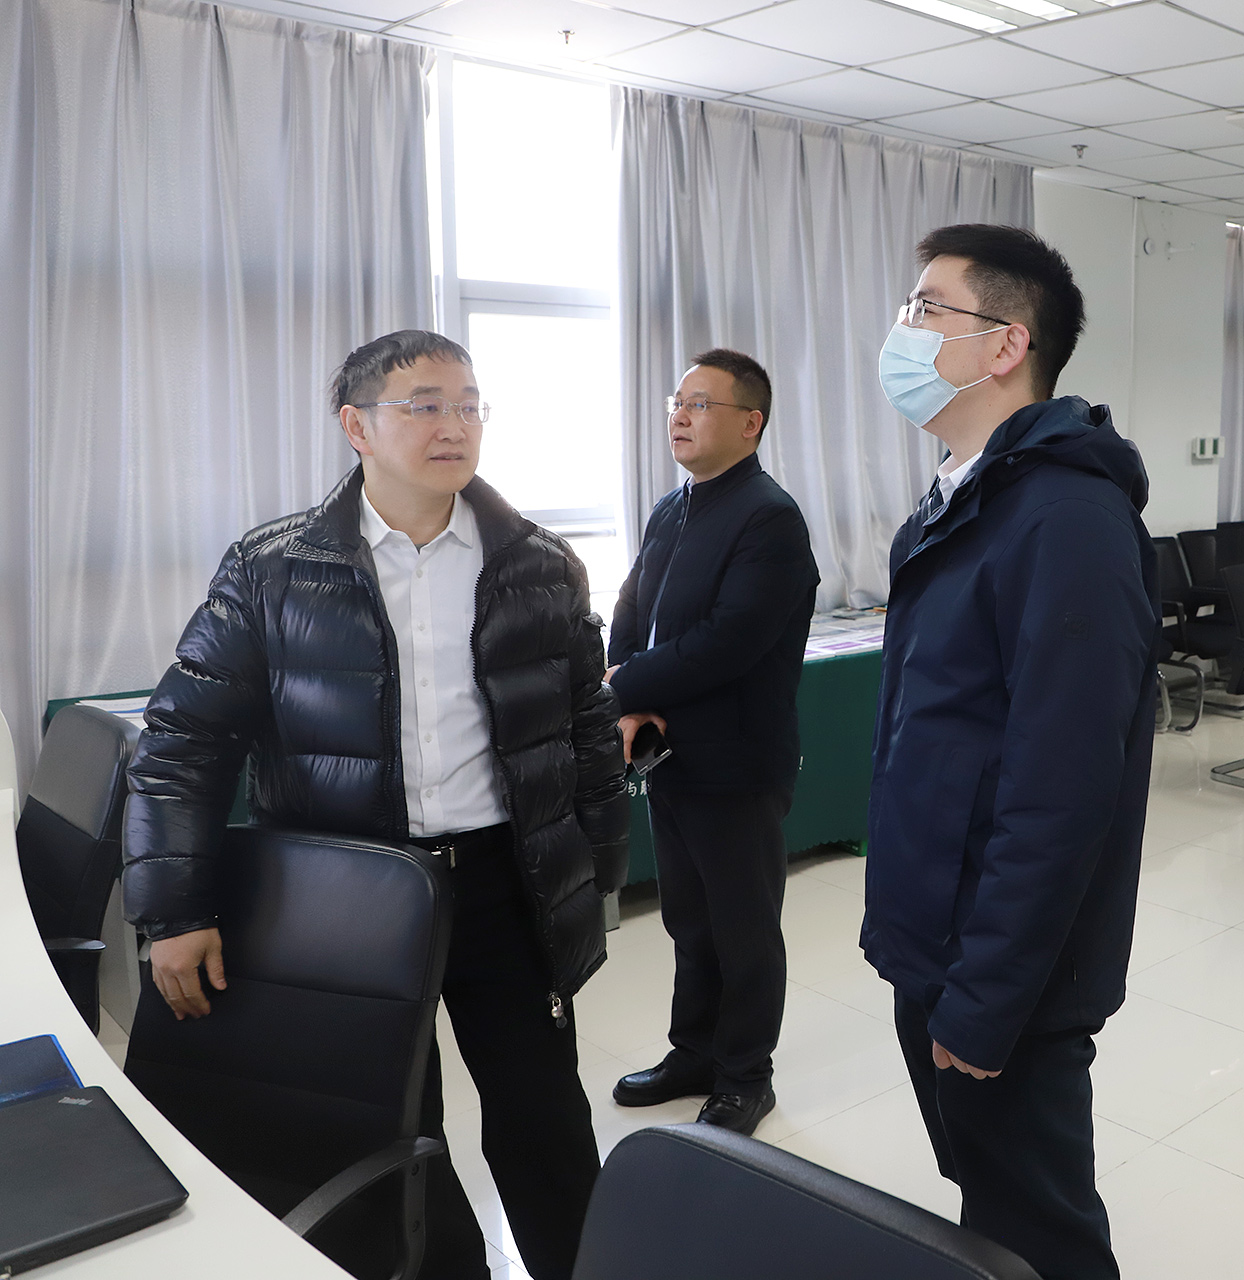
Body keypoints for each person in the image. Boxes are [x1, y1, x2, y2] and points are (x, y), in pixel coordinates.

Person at [123, 330, 628, 1280]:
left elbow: (586, 727)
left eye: (469, 405)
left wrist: (595, 869)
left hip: (504, 884)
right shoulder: (275, 568)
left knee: (545, 1117)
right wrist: (176, 911)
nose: (455, 426)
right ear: (356, 426)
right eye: (425, 405)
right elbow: (184, 741)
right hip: (350, 894)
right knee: (388, 1122)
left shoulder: (538, 562)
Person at [863, 224, 1157, 1280]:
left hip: (1007, 969)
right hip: (938, 939)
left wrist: (986, 996)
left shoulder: (1067, 517)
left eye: (926, 308)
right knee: (985, 1205)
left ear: (1004, 344)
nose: (903, 328)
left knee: (1040, 1232)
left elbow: (1061, 791)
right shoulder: (961, 499)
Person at [604, 347, 817, 1137]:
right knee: (689, 923)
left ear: (750, 423)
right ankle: (692, 1052)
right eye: (677, 402)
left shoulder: (769, 518)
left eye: (700, 404)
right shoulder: (673, 507)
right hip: (670, 756)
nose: (680, 416)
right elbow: (634, 607)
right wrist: (625, 690)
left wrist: (622, 688)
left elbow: (729, 642)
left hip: (737, 763)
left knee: (742, 929)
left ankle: (745, 1076)